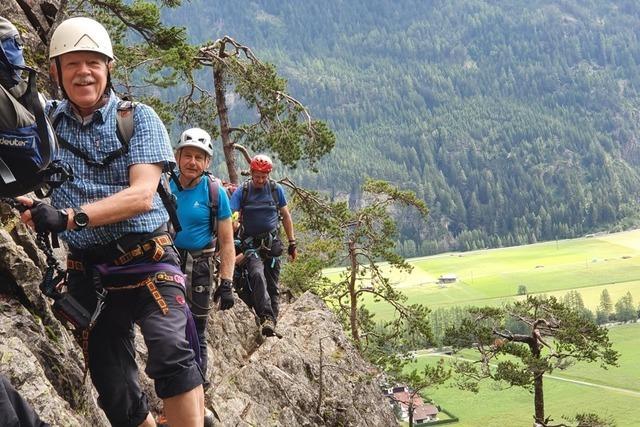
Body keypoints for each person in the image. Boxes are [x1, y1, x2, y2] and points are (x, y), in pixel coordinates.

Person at [17, 17, 204, 426]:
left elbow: (141, 196)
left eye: (93, 63)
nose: (84, 72)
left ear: (108, 68)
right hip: (91, 272)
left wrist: (68, 218)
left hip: (147, 258)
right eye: (73, 64)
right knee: (114, 384)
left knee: (170, 351)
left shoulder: (138, 119)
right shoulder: (43, 124)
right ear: (56, 72)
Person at [170, 127, 235, 383]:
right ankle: (178, 388)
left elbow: (227, 242)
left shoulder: (215, 192)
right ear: (178, 157)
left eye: (199, 157)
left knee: (197, 330)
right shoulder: (162, 185)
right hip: (166, 263)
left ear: (207, 162)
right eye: (188, 155)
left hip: (200, 268)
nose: (192, 162)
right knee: (170, 329)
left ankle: (198, 389)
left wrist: (227, 282)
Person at [230, 154, 296, 336]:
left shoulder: (275, 190)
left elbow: (286, 216)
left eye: (263, 176)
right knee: (257, 276)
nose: (260, 180)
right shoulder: (242, 191)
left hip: (272, 243)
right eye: (257, 176)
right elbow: (232, 213)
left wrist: (292, 243)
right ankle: (266, 317)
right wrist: (233, 223)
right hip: (251, 245)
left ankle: (272, 323)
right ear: (251, 173)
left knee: (273, 285)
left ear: (269, 174)